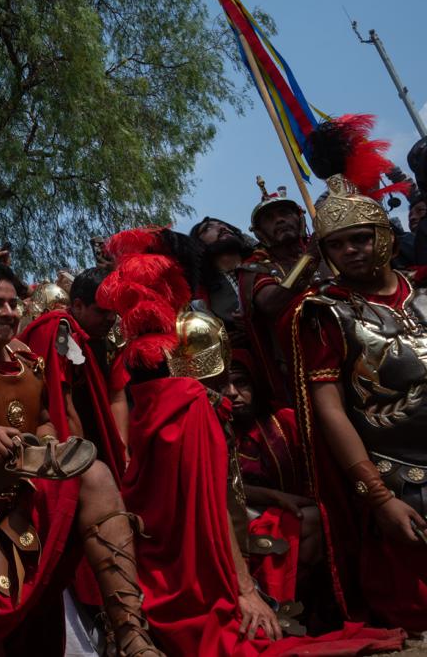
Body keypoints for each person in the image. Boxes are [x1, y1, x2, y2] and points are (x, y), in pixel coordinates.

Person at [101, 227, 402, 656]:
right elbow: (215, 496)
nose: (232, 393)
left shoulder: (149, 383)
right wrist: (242, 588)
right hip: (210, 559)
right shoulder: (192, 398)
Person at [0, 260, 158, 655]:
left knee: (96, 475)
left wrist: (44, 446)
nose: (8, 312)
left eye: (12, 303)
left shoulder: (25, 359)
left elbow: (46, 419)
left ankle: (131, 634)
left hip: (21, 503)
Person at [287, 171, 427, 634]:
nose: (350, 250)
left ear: (384, 236)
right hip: (403, 479)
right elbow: (329, 410)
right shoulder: (325, 313)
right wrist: (379, 498)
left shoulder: (423, 289)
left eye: (360, 238)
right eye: (337, 244)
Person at [223, 352, 320, 616]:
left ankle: (293, 606)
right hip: (235, 520)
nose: (232, 393)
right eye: (223, 385)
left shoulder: (283, 422)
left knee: (316, 518)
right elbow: (218, 487)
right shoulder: (213, 428)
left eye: (241, 383)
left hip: (283, 513)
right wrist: (272, 496)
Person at [21, 265, 127, 481]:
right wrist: (80, 460)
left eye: (114, 312)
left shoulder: (111, 333)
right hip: (69, 443)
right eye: (101, 311)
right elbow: (63, 402)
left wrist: (122, 451)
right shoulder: (61, 333)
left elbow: (117, 395)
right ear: (78, 306)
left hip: (102, 436)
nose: (110, 318)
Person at [237, 178, 316, 405]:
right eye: (269, 219)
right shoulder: (254, 269)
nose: (279, 220)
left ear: (299, 218)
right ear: (260, 233)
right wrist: (310, 258)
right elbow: (272, 303)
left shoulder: (330, 250)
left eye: (284, 213)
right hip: (303, 369)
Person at [191, 216, 256, 331]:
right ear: (198, 244)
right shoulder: (202, 293)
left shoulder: (264, 261)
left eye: (223, 224)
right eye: (208, 228)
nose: (222, 227)